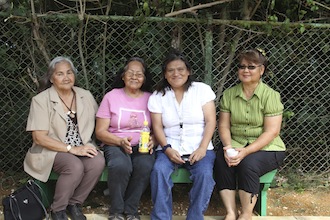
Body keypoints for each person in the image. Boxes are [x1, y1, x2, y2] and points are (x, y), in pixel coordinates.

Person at [23, 56, 105, 220]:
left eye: (69, 72)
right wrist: (71, 149)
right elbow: (39, 138)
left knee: (97, 162)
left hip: (82, 146)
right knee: (74, 166)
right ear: (52, 78)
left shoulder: (85, 95)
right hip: (51, 150)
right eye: (60, 74)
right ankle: (58, 209)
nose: (66, 77)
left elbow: (100, 120)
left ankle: (74, 203)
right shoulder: (41, 100)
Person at [214, 48, 286, 220]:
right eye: (242, 66)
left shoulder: (271, 96)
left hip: (268, 147)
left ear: (261, 70)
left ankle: (246, 214)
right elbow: (223, 125)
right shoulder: (229, 94)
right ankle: (231, 212)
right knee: (221, 161)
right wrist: (228, 146)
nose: (245, 70)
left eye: (251, 67)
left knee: (248, 164)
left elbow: (272, 131)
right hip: (236, 142)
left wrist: (246, 151)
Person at [148, 49, 217, 220]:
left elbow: (211, 121)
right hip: (169, 145)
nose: (176, 73)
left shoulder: (202, 90)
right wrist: (167, 148)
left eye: (180, 69)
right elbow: (157, 126)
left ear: (188, 71)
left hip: (199, 146)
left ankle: (195, 217)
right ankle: (161, 217)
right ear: (165, 74)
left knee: (205, 175)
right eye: (170, 70)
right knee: (159, 171)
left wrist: (202, 148)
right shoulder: (158, 96)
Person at [95, 57, 155, 220]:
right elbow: (100, 131)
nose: (134, 77)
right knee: (120, 165)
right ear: (123, 76)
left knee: (145, 165)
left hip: (142, 145)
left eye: (139, 74)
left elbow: (159, 127)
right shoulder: (111, 97)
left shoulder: (151, 99)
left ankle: (131, 210)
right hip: (115, 142)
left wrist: (154, 139)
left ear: (144, 78)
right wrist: (119, 141)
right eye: (130, 73)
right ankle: (116, 211)